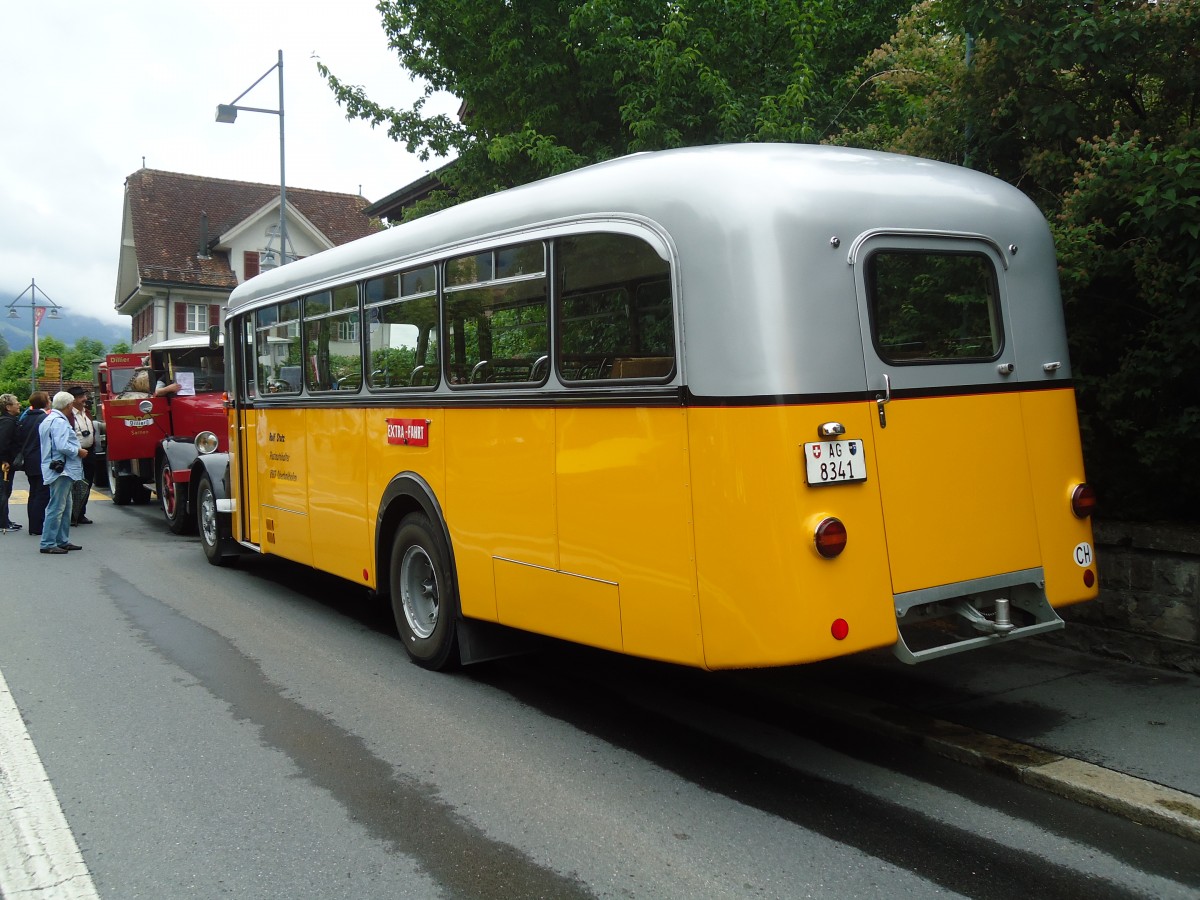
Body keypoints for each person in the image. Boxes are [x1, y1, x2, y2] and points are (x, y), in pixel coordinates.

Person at [38, 391, 86, 555]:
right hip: (61, 469)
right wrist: (78, 451)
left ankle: (61, 540)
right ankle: (48, 542)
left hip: (57, 468)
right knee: (57, 507)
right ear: (69, 405)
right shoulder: (59, 422)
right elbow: (62, 446)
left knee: (65, 507)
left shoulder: (49, 419)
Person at [15, 391, 50, 536]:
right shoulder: (45, 418)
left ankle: (34, 525)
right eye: (48, 399)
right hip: (41, 459)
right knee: (42, 494)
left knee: (33, 493)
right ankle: (37, 526)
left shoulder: (24, 418)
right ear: (45, 402)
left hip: (29, 460)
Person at [69, 387, 96, 525]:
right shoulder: (69, 415)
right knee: (75, 485)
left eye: (84, 396)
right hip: (76, 453)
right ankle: (73, 514)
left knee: (87, 483)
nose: (84, 399)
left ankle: (80, 513)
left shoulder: (86, 413)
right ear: (72, 400)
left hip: (89, 452)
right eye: (81, 397)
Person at [0, 393, 21, 533]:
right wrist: (4, 460)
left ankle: (5, 520)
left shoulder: (10, 420)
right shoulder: (7, 422)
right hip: (4, 464)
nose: (18, 404)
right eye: (16, 402)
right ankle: (3, 523)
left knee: (5, 491)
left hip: (6, 462)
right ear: (8, 407)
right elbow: (3, 443)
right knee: (3, 491)